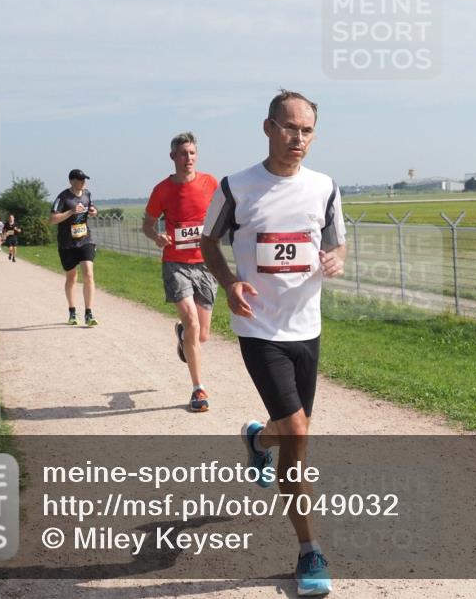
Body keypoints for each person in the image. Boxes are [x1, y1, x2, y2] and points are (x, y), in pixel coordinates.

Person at [201, 89, 345, 597]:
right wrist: (229, 282)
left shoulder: (325, 187)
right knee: (299, 435)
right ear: (268, 128)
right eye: (289, 128)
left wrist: (337, 259)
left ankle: (258, 441)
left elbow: (336, 242)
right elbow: (207, 240)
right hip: (259, 328)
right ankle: (310, 551)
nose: (297, 138)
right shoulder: (236, 187)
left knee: (289, 434)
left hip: (307, 327)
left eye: (307, 130)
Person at [142, 133, 219, 413]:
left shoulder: (210, 183)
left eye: (193, 153)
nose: (189, 158)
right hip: (175, 263)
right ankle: (198, 389)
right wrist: (157, 237)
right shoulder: (162, 190)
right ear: (173, 156)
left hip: (206, 264)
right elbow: (148, 224)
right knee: (192, 323)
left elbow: (224, 214)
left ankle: (182, 336)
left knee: (202, 335)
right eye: (184, 153)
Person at [49, 169, 99, 326]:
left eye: (84, 179)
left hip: (85, 239)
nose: (83, 182)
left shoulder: (87, 194)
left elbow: (92, 208)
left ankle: (89, 313)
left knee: (88, 274)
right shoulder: (63, 197)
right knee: (72, 277)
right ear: (71, 181)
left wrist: (93, 211)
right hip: (67, 243)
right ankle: (72, 311)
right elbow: (52, 219)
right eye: (80, 179)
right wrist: (71, 211)